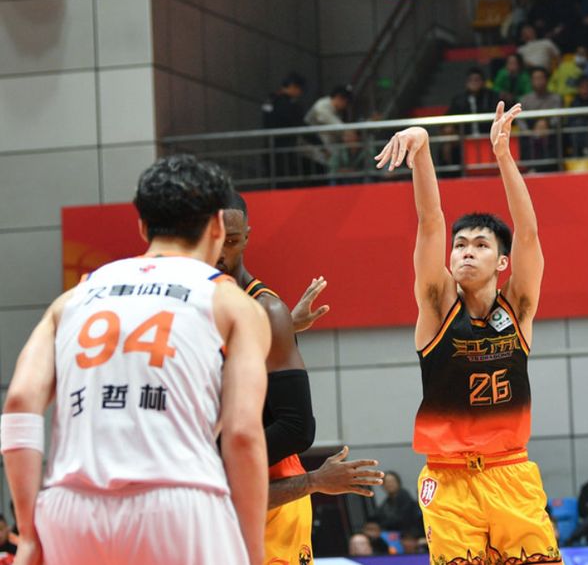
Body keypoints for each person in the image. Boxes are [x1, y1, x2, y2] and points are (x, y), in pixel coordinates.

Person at [0, 155, 271, 565]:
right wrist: (252, 553)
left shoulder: (72, 298)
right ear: (218, 225)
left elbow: (20, 402)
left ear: (143, 226)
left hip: (72, 508)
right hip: (180, 501)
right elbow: (242, 434)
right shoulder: (233, 303)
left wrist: (29, 532)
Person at [374, 102, 562, 564]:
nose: (466, 252)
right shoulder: (438, 306)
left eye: (480, 245)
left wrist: (502, 155)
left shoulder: (518, 306)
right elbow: (430, 223)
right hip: (448, 477)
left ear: (502, 262)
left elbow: (529, 234)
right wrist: (422, 149)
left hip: (510, 471)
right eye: (460, 246)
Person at [217, 191, 384, 564]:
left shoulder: (263, 306)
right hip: (220, 500)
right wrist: (285, 329)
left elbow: (297, 427)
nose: (221, 252)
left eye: (231, 240)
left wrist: (218, 461)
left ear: (246, 237)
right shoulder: (207, 304)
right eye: (213, 239)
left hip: (275, 497)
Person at [439, 68, 500, 173]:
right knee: (446, 147)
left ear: (483, 82)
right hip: (465, 138)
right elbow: (448, 120)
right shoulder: (459, 99)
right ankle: (451, 176)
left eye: (477, 80)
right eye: (471, 80)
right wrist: (449, 129)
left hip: (488, 136)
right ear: (466, 83)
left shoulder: (492, 97)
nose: (474, 83)